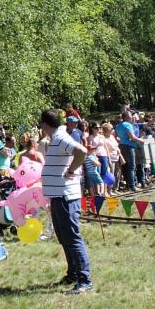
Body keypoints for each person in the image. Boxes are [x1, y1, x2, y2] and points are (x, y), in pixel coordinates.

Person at [39, 109, 93, 295]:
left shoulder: (61, 137)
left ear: (44, 125)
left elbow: (81, 151)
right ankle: (73, 274)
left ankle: (85, 280)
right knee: (64, 238)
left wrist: (70, 171)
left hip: (65, 196)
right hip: (58, 195)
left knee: (72, 238)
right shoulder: (57, 137)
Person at [116, 111, 148, 192]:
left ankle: (128, 185)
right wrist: (141, 140)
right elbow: (132, 137)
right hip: (129, 147)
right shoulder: (128, 125)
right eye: (130, 116)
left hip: (121, 146)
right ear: (127, 117)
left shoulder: (118, 125)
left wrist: (122, 140)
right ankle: (132, 186)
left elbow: (116, 136)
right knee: (131, 167)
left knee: (125, 167)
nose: (132, 117)